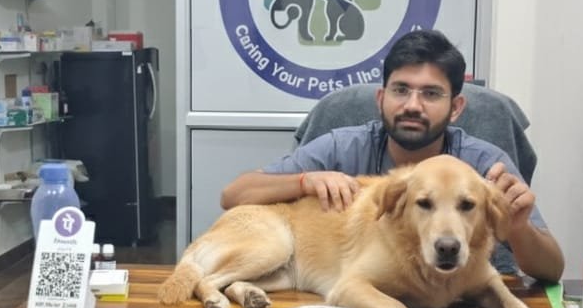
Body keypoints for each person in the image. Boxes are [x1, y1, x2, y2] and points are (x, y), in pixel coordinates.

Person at [220, 30, 564, 282]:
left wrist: (518, 228)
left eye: (431, 93)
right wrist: (303, 180)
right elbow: (234, 195)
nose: (412, 105)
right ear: (381, 98)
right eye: (401, 90)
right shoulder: (342, 147)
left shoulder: (485, 164)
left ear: (456, 107)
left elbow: (551, 270)